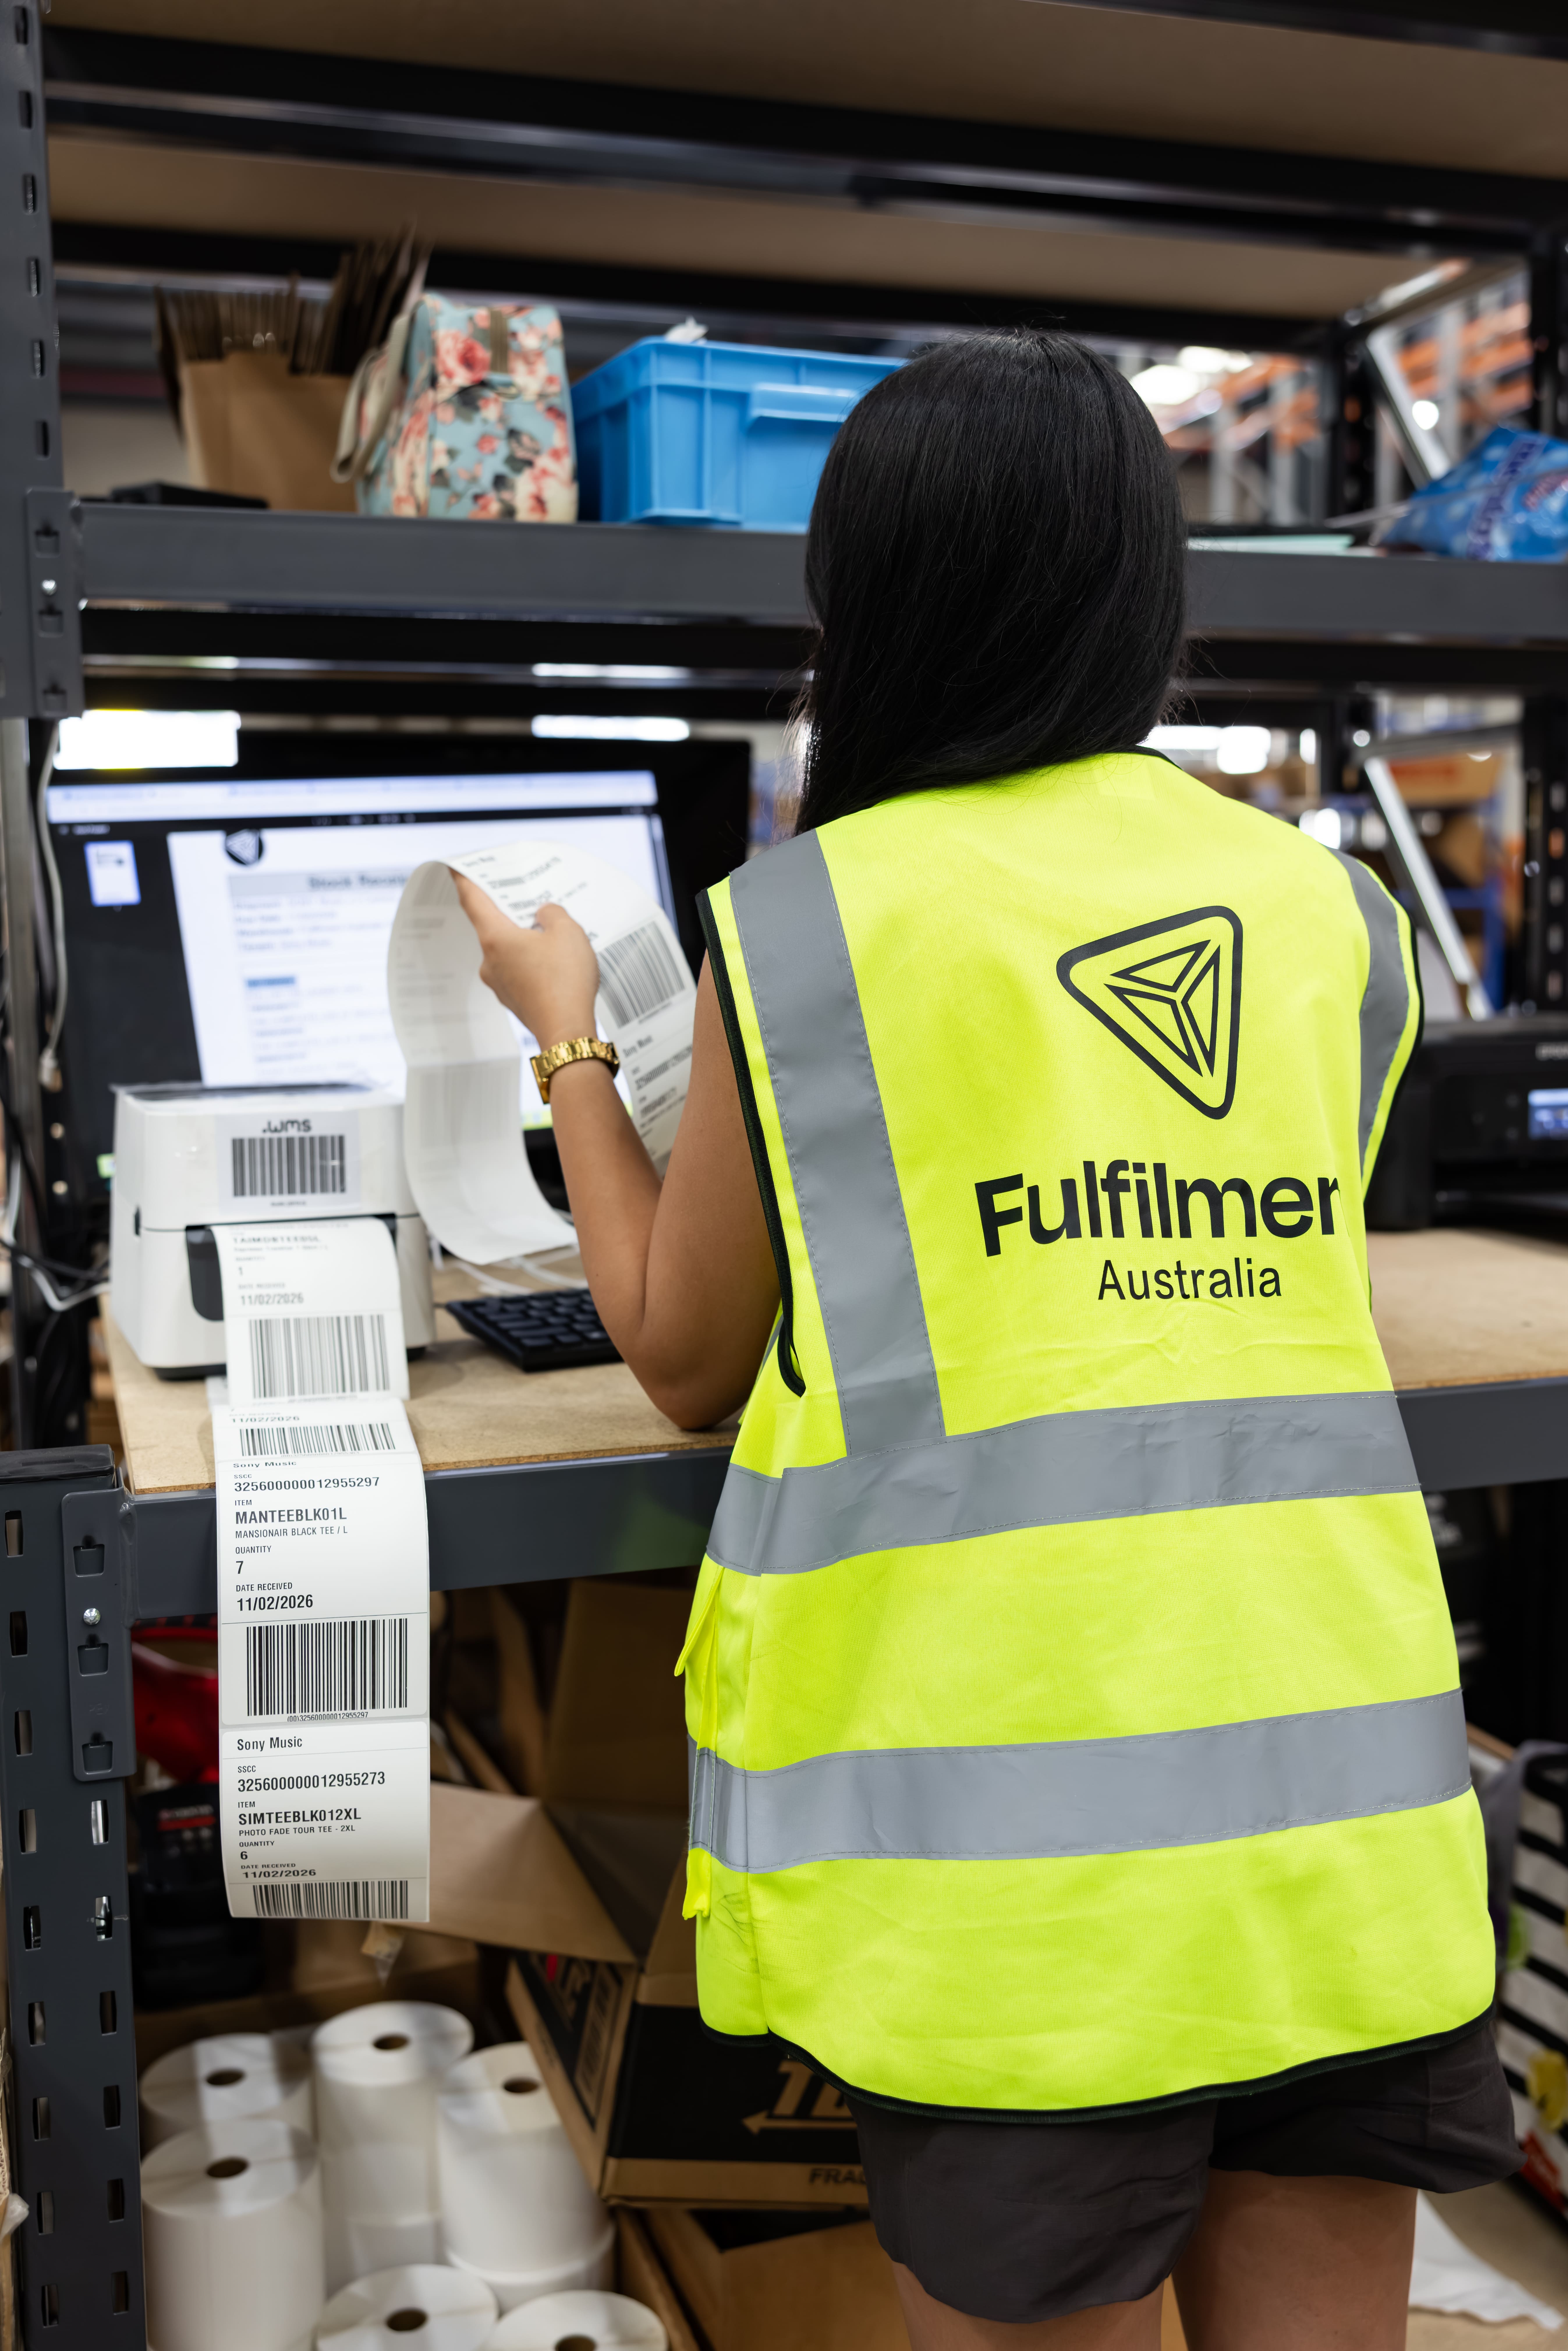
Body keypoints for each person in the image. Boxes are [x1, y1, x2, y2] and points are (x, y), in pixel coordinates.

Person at [453, 330, 1513, 2350]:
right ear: (1146, 589)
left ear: (869, 610)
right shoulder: (1333, 913)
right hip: (1340, 1830)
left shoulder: (820, 920)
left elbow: (684, 1355)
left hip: (1027, 1899)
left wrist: (569, 1033)